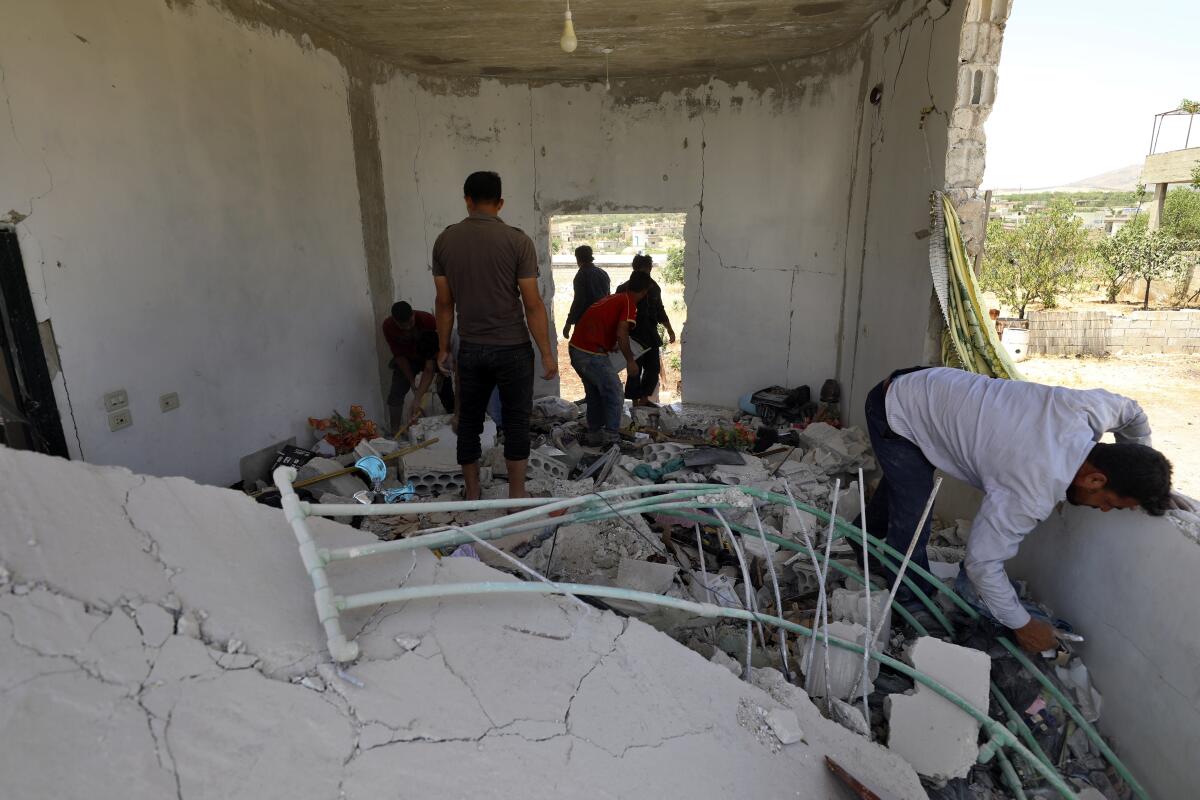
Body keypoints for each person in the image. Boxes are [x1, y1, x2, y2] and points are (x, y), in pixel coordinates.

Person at [865, 366, 1172, 653]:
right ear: (1095, 479)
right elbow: (981, 564)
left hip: (931, 382)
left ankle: (861, 536)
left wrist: (1144, 474)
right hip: (895, 409)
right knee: (915, 517)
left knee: (905, 491)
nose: (1103, 510)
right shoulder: (1030, 487)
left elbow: (1133, 412)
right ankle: (911, 603)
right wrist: (1022, 624)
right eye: (1109, 503)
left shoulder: (1082, 411)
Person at [432, 171, 557, 500]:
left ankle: (473, 495)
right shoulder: (518, 241)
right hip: (513, 348)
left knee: (469, 421)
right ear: (500, 203)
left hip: (471, 348)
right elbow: (532, 304)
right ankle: (516, 497)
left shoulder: (445, 241)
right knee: (516, 422)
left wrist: (444, 347)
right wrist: (546, 352)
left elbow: (444, 304)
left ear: (467, 200)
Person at [568, 270, 652, 445]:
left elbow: (606, 324)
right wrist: (630, 360)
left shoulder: (615, 297)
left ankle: (594, 436)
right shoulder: (629, 303)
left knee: (595, 394)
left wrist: (609, 342)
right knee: (614, 392)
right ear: (644, 292)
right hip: (590, 353)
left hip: (578, 348)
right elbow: (622, 332)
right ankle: (612, 440)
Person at [617, 254, 675, 406]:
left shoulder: (654, 288)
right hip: (633, 337)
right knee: (634, 370)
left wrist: (669, 329)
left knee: (653, 369)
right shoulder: (624, 289)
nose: (645, 275)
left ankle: (644, 400)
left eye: (646, 271)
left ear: (650, 269)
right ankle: (635, 402)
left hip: (650, 336)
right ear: (635, 269)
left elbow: (660, 310)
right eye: (642, 271)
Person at [382, 302, 449, 431]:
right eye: (402, 325)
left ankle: (453, 418)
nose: (407, 328)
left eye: (410, 323)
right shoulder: (388, 326)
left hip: (431, 356)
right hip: (408, 359)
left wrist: (440, 372)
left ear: (413, 314)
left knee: (444, 386)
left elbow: (440, 351)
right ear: (395, 321)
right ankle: (395, 431)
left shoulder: (428, 320)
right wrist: (412, 381)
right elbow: (399, 356)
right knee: (397, 390)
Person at [561, 245, 610, 340]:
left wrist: (568, 323)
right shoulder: (603, 273)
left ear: (577, 258)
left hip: (586, 321)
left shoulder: (581, 275)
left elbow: (579, 301)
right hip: (602, 320)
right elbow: (608, 297)